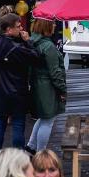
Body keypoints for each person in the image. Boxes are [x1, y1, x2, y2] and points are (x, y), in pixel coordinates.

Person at [0, 13, 41, 152]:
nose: (21, 28)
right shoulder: (16, 47)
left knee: (0, 122)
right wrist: (28, 41)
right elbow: (36, 58)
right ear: (8, 29)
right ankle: (18, 158)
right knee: (18, 124)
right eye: (18, 27)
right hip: (17, 91)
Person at [27, 18, 67, 152]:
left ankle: (31, 147)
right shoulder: (48, 46)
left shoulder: (33, 42)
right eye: (53, 23)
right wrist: (62, 90)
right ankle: (41, 153)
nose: (55, 25)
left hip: (37, 84)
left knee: (43, 117)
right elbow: (55, 72)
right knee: (48, 120)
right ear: (46, 26)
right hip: (47, 87)